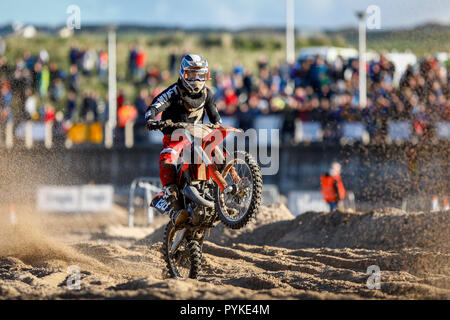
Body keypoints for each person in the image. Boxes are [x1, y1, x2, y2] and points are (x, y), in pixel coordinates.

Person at [145, 54, 222, 224]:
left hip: (198, 135)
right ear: (183, 74)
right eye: (191, 74)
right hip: (175, 136)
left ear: (206, 75)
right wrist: (150, 119)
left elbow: (215, 116)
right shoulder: (174, 92)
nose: (195, 79)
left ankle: (224, 193)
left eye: (199, 75)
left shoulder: (207, 94)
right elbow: (155, 105)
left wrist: (217, 124)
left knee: (218, 150)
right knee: (166, 158)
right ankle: (173, 203)